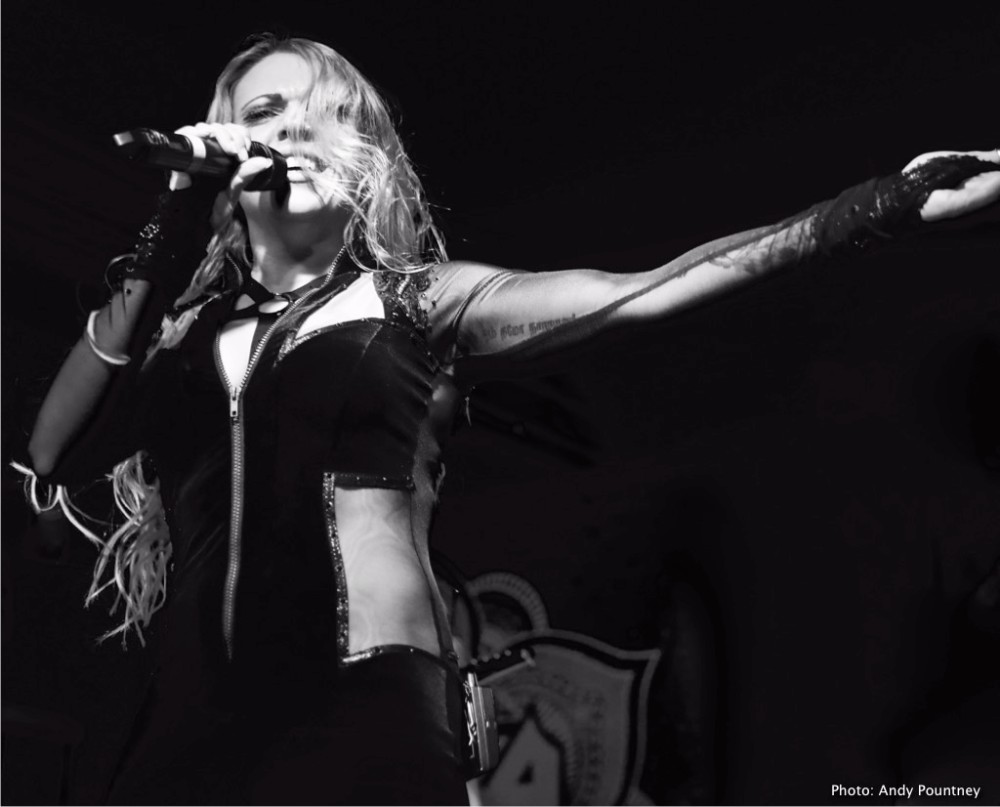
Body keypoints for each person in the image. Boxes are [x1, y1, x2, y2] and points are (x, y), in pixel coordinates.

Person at [18, 33, 999, 806]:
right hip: (183, 729)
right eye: (267, 113)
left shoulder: (418, 303)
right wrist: (173, 221)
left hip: (361, 709)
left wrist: (877, 205)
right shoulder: (179, 336)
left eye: (327, 115)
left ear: (364, 159)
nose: (296, 133)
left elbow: (644, 291)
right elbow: (54, 450)